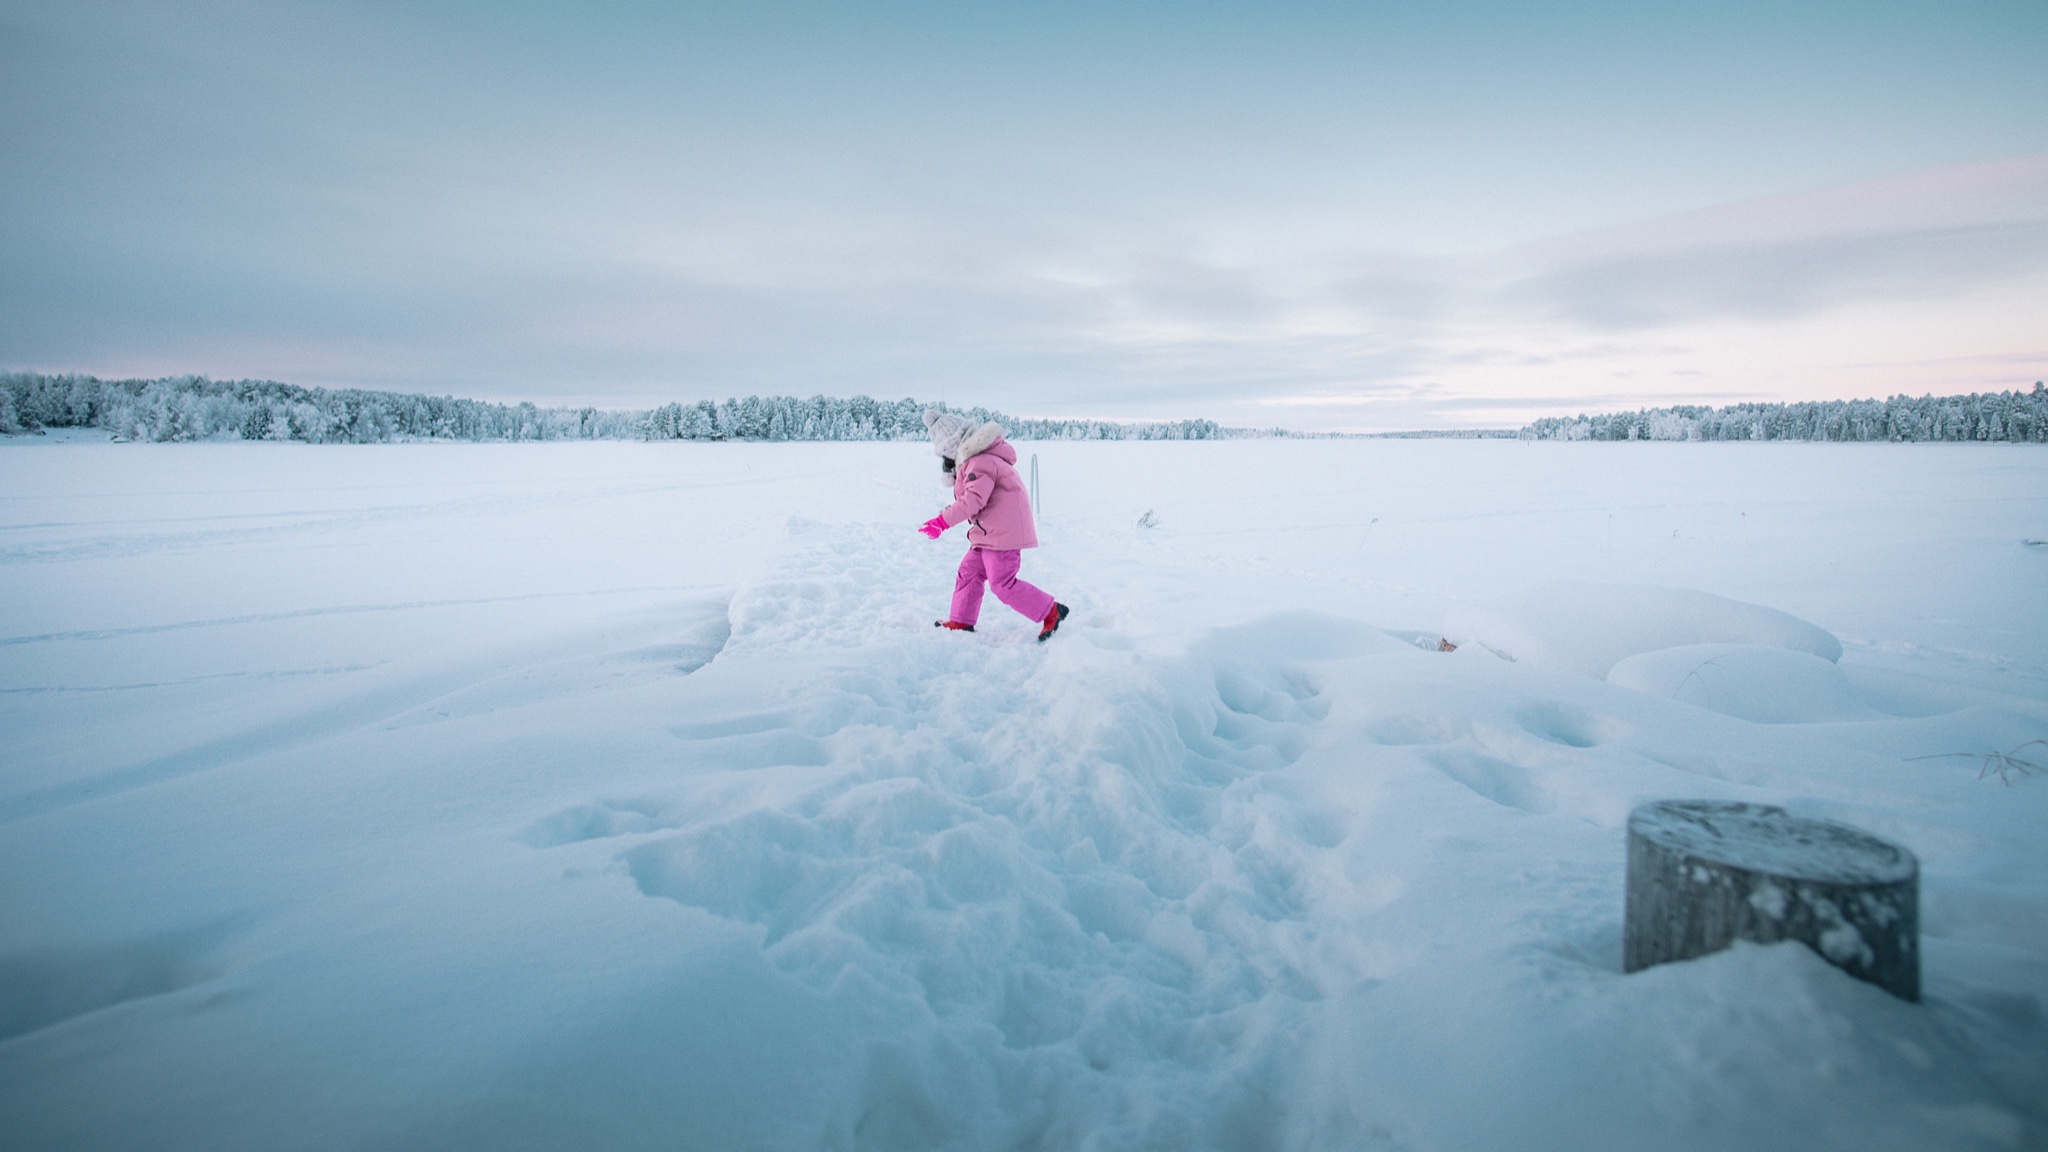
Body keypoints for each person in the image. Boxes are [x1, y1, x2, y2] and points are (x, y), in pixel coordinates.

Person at [919, 409, 1069, 641]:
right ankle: (961, 620)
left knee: (1002, 583)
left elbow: (972, 501)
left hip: (1002, 536)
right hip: (988, 535)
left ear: (953, 448)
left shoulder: (980, 462)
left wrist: (941, 521)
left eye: (945, 457)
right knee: (969, 572)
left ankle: (1051, 611)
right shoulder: (979, 461)